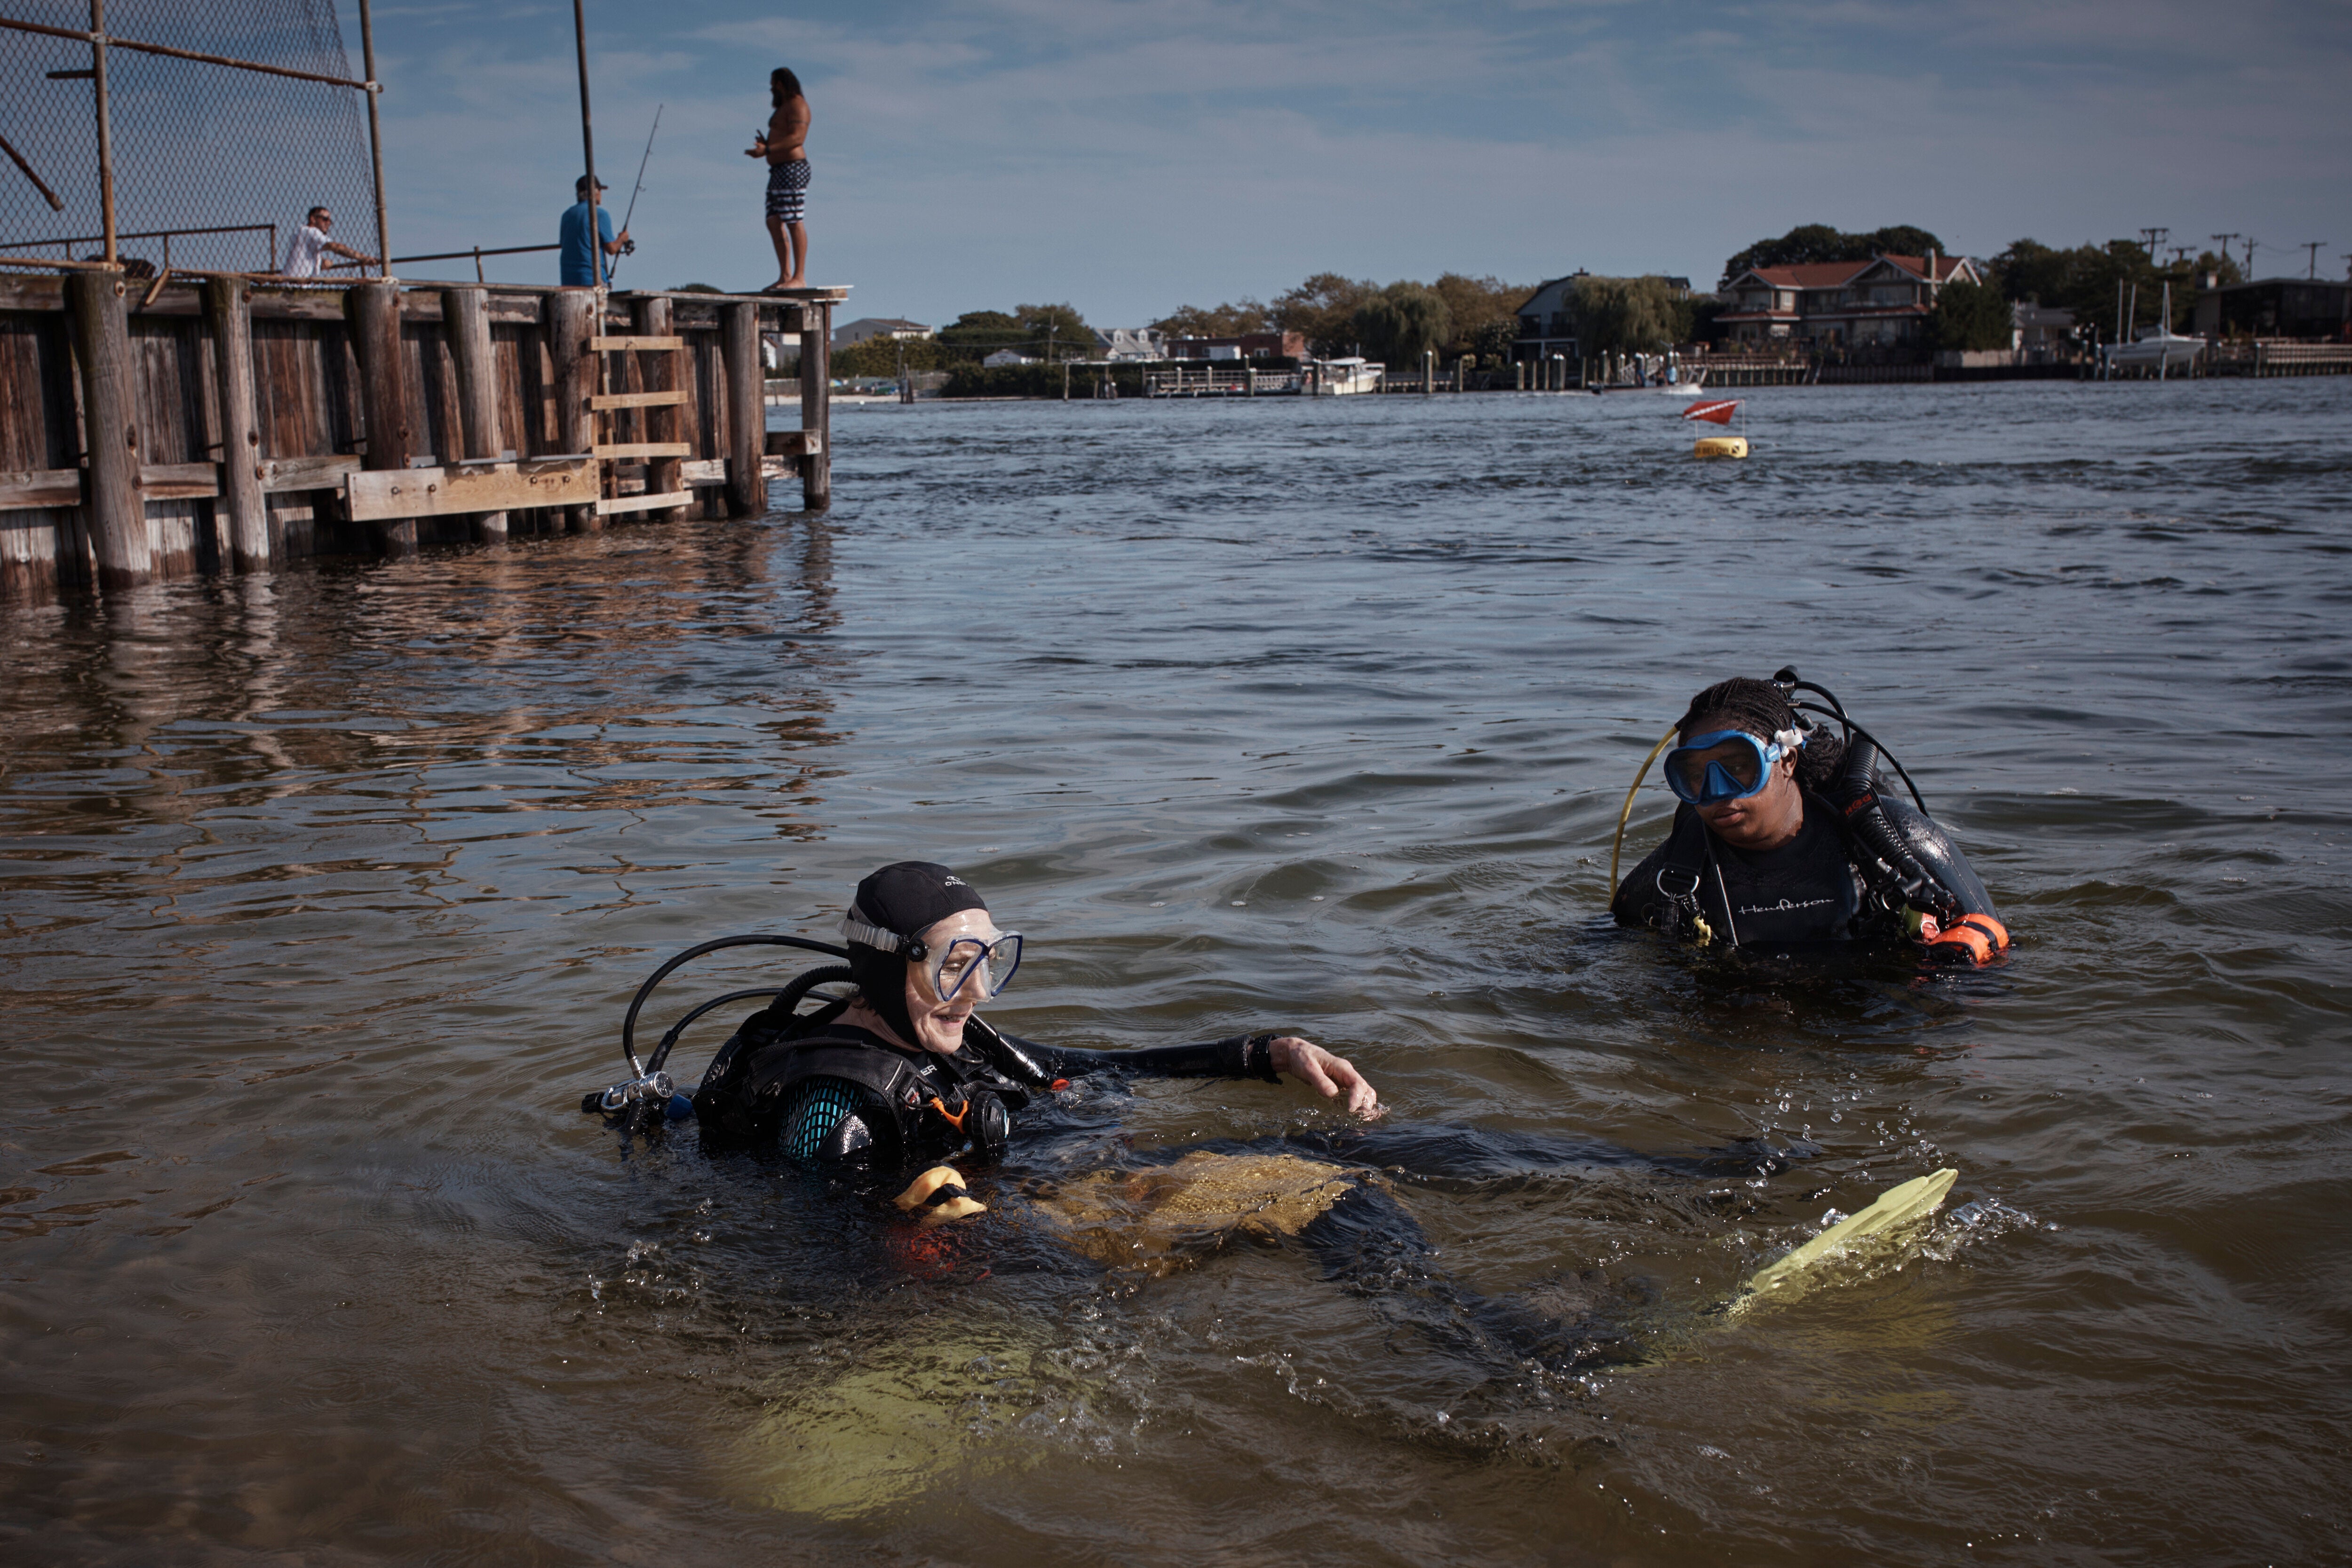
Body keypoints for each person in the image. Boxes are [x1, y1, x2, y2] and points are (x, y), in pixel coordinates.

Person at [683, 861, 1377, 1173]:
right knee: (1331, 1189)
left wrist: (1269, 1053)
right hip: (1051, 1220)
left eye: (988, 963)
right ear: (889, 969)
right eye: (955, 967)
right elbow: (817, 1256)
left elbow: (1096, 1068)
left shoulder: (937, 1032)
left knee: (1399, 1156)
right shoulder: (837, 1106)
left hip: (1079, 1174)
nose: (978, 993)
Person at [1611, 673, 2009, 962]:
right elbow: (1604, 950)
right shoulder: (1678, 869)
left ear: (1786, 760)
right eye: (1696, 776)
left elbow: (1996, 945)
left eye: (1739, 768)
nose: (1717, 791)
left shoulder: (1888, 835)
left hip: (1872, 1024)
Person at [745, 67, 810, 290]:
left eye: (774, 83)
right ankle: (785, 276)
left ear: (781, 84)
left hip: (793, 169)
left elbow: (798, 138)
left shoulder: (798, 105)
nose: (771, 88)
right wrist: (767, 144)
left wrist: (768, 149)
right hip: (777, 171)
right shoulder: (784, 108)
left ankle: (799, 277)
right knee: (774, 220)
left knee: (793, 219)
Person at [558, 175, 628, 287]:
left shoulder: (567, 215)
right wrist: (622, 239)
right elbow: (612, 249)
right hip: (592, 279)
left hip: (568, 280)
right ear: (595, 192)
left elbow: (564, 244)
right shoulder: (600, 214)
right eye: (600, 190)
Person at [279, 206, 376, 279]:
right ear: (313, 219)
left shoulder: (301, 232)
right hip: (296, 287)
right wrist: (363, 258)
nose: (329, 223)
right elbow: (334, 247)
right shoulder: (311, 232)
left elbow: (304, 256)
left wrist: (320, 262)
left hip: (291, 284)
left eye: (330, 221)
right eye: (325, 219)